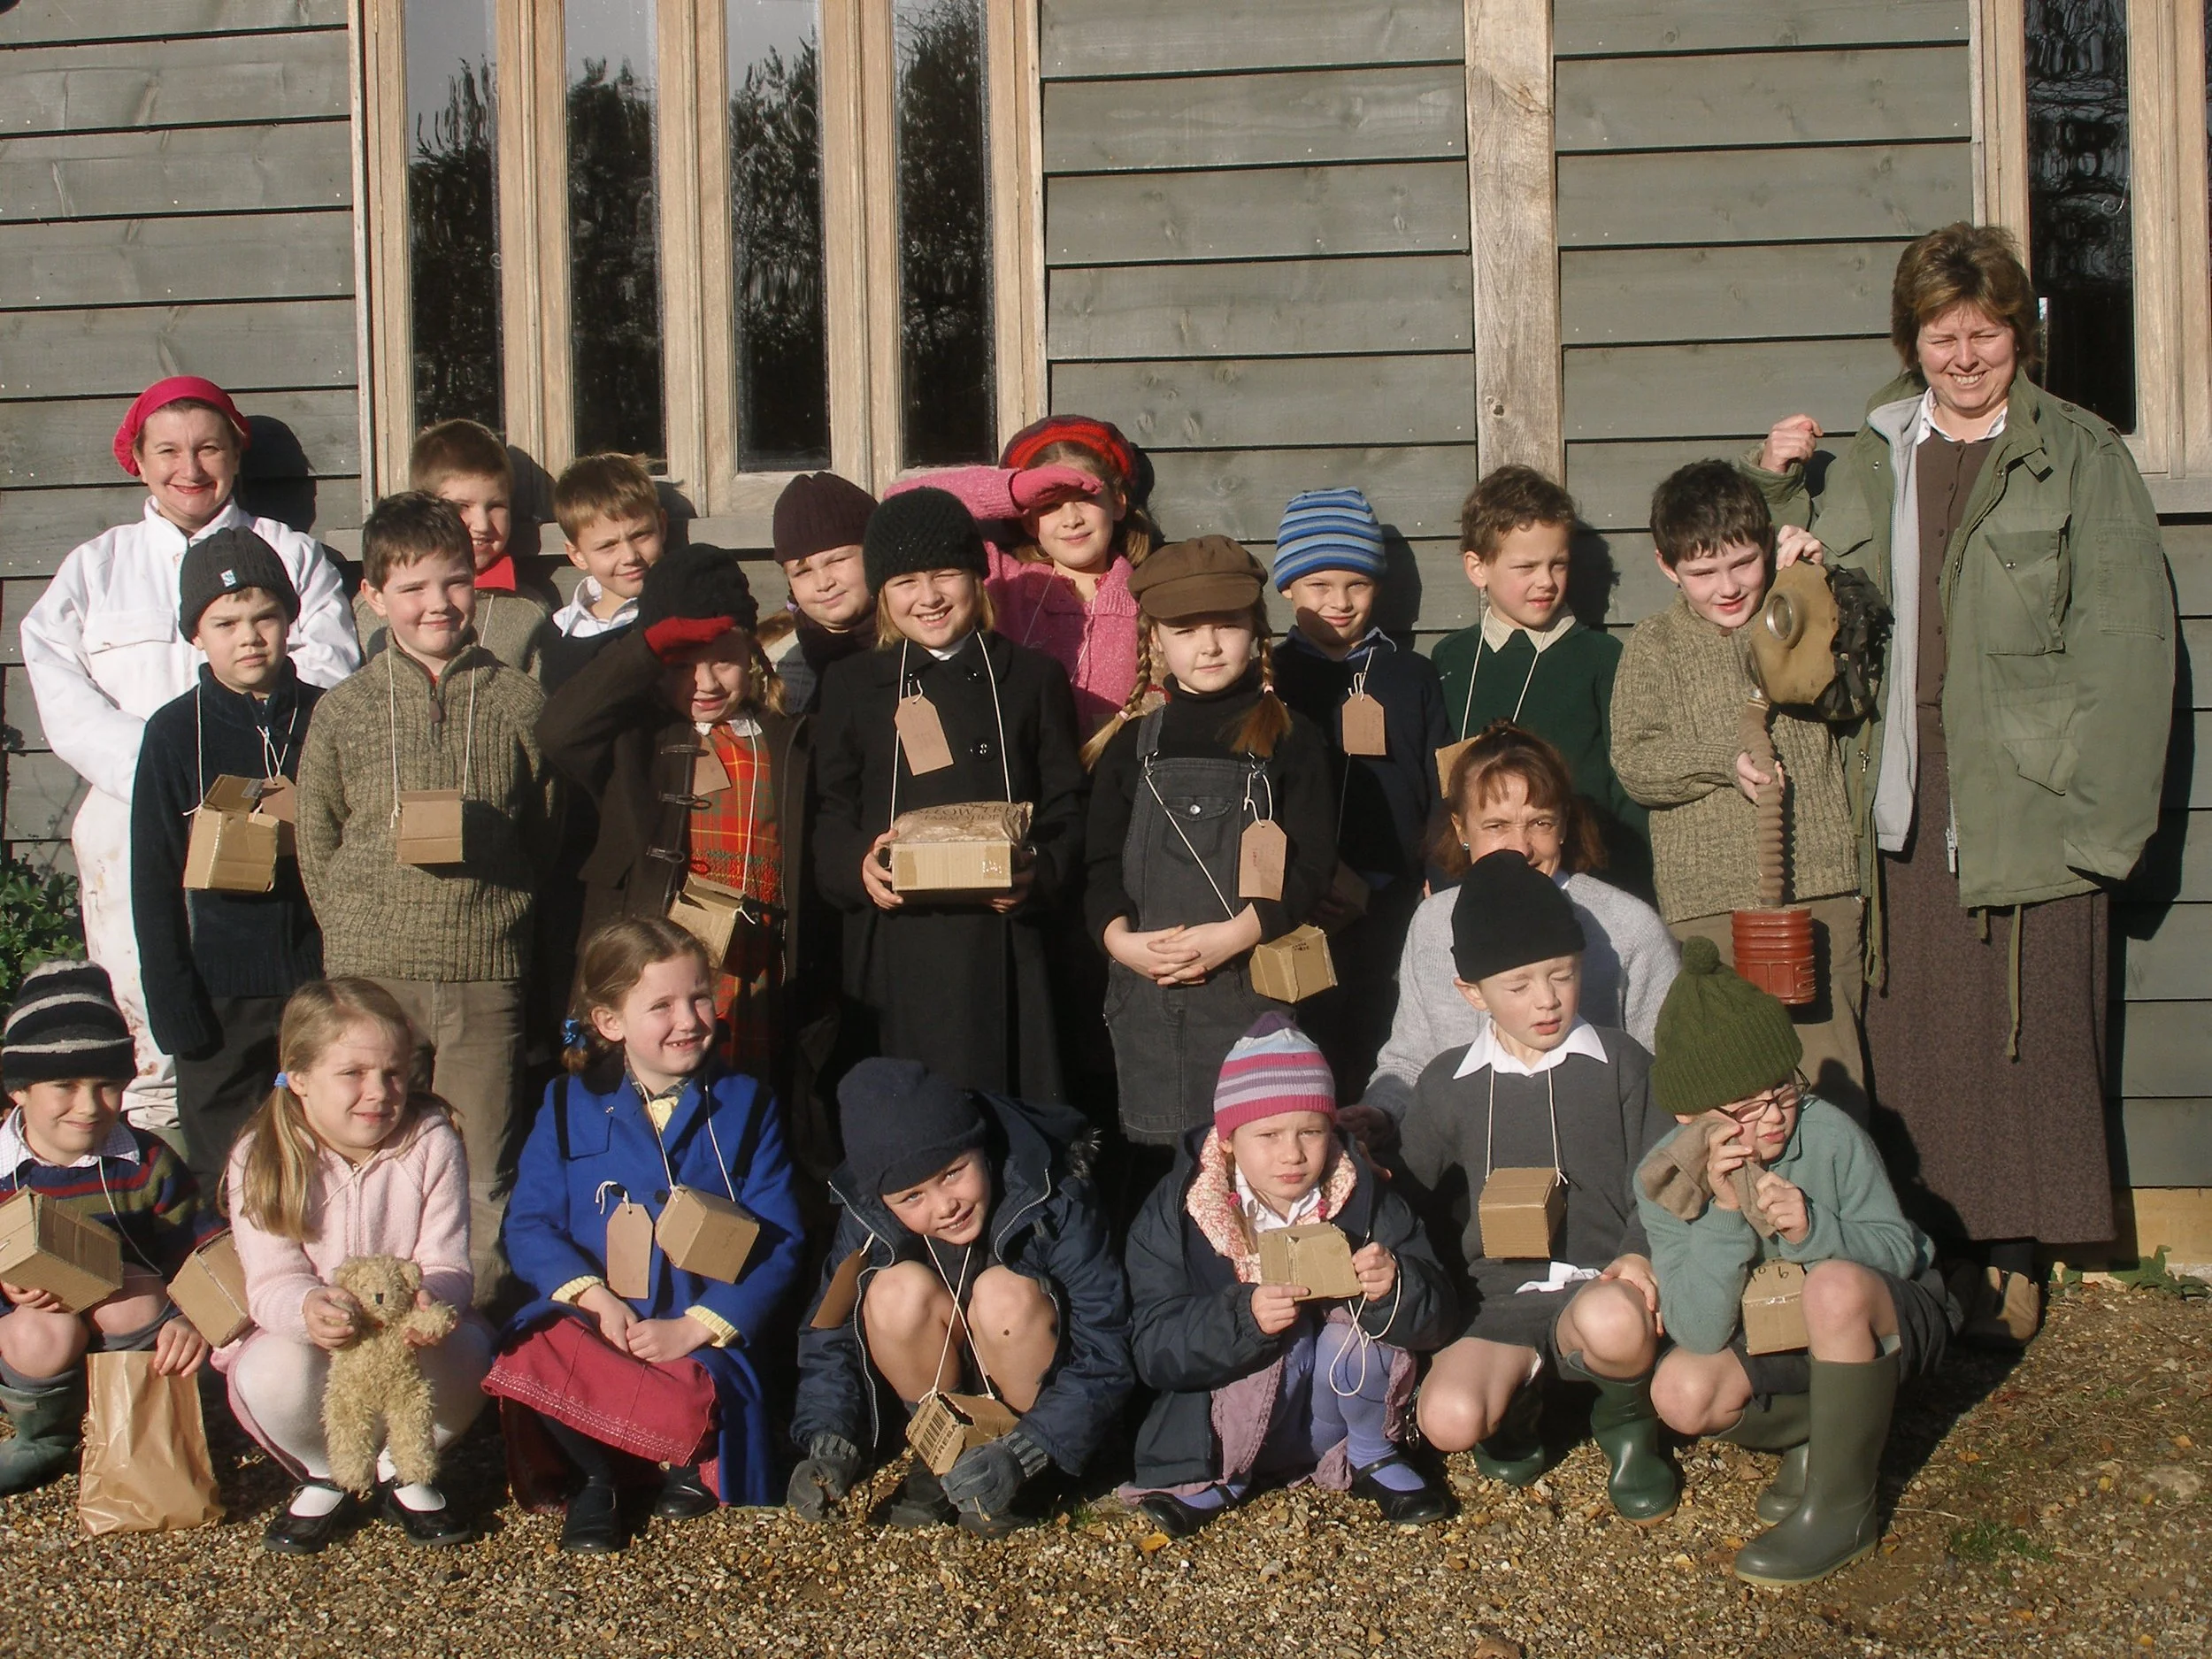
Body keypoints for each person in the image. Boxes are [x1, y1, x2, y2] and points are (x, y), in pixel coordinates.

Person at [1745, 224, 2176, 1344]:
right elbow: (1806, 599)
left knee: (2025, 1028)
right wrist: (1779, 496)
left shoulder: (2078, 455)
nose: (1965, 356)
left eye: (1984, 333)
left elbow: (2130, 647)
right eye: (1942, 336)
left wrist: (2103, 829)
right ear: (1912, 342)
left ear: (2017, 336)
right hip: (1902, 779)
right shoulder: (1878, 448)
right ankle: (1929, 1249)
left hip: (2034, 790)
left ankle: (2017, 1256)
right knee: (1922, 1029)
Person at [21, 374, 359, 1129]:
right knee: (147, 994)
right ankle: (160, 1156)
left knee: (278, 1016)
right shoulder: (96, 567)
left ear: (236, 454)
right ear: (137, 460)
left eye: (208, 448)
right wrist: (152, 771)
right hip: (126, 813)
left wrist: (250, 772)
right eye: (168, 450)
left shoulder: (290, 555)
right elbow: (56, 675)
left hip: (270, 809)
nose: (190, 467)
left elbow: (331, 671)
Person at [296, 492, 558, 1295]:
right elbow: (317, 836)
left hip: (485, 976)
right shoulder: (343, 710)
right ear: (374, 598)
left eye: (453, 581)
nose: (436, 603)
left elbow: (544, 830)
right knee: (368, 1163)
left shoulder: (519, 703)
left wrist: (503, 920)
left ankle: (469, 1335)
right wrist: (354, 933)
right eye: (411, 588)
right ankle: (360, 1328)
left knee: (479, 1172)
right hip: (374, 981)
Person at [1638, 938, 1958, 1585]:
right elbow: (1699, 1330)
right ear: (1690, 1117)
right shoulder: (1667, 1178)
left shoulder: (1828, 1132)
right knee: (1679, 1390)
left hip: (1886, 1320)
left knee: (1832, 1286)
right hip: (1779, 1335)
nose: (1775, 1117)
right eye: (1747, 1109)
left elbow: (1901, 1250)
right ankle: (1822, 1439)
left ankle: (1843, 1511)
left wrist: (1817, 1229)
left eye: (1783, 1090)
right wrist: (1726, 1215)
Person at [495, 919, 807, 1551]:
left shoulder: (747, 1104)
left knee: (698, 1384)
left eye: (699, 997)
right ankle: (600, 1475)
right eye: (661, 1005)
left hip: (695, 1341)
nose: (688, 1019)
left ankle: (681, 1456)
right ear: (609, 1021)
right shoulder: (566, 1103)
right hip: (599, 1327)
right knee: (530, 1346)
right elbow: (528, 1224)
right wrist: (593, 1299)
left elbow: (780, 1238)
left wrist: (695, 1326)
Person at [1398, 852, 1677, 1523]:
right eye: (1518, 984)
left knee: (1614, 1320)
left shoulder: (1622, 1064)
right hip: (1498, 1300)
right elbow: (1412, 1201)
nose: (1546, 1000)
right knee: (1446, 1418)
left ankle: (1629, 1427)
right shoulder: (1447, 1084)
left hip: (1603, 1284)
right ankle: (1518, 1402)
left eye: (1562, 974)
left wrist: (1639, 1253)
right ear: (1473, 992)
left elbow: (1664, 1173)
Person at [538, 549, 827, 1164]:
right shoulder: (633, 741)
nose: (705, 682)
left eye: (723, 658)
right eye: (681, 663)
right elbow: (557, 730)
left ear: (752, 653)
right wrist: (647, 645)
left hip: (755, 971)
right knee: (649, 1132)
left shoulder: (788, 739)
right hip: (658, 974)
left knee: (743, 1126)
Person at [1122, 1015, 1455, 1535]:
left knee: (1352, 1332)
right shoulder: (1180, 1210)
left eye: (1311, 1131)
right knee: (1283, 1332)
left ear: (1332, 1129)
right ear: (1228, 1139)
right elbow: (1152, 1347)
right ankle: (1227, 1473)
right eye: (1268, 1134)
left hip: (1340, 1413)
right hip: (1231, 1426)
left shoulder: (1366, 1194)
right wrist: (1243, 1318)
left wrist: (1396, 1287)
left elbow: (1441, 1315)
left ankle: (1372, 1454)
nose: (1292, 1154)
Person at [1610, 462, 1870, 1125]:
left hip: (1816, 892)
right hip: (1707, 908)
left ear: (1767, 547)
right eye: (1703, 572)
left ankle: (1836, 1192)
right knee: (1730, 1096)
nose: (1727, 587)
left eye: (1743, 564)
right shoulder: (1655, 644)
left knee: (1830, 1081)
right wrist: (1723, 761)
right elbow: (1635, 762)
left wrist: (1812, 586)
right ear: (1667, 567)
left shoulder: (1801, 609)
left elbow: (1855, 698)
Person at [812, 488, 1087, 1103]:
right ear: (883, 593)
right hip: (897, 951)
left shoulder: (1031, 679)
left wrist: (1038, 871)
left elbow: (1068, 804)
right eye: (906, 581)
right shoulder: (854, 684)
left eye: (945, 574)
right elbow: (829, 810)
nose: (929, 597)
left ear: (977, 576)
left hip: (1006, 945)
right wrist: (858, 867)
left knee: (1009, 1117)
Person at [786, 1057, 1132, 1533]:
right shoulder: (865, 1218)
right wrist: (830, 1442)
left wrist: (1029, 1451)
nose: (945, 1205)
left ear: (979, 1148)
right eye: (912, 1197)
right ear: (883, 1200)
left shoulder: (1050, 1190)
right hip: (941, 1373)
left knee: (1002, 1295)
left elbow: (1106, 1339)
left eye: (952, 1173)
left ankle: (1020, 1473)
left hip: (1035, 1404)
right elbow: (830, 1331)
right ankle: (942, 1459)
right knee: (892, 1294)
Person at [218, 979, 491, 1552]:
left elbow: (446, 1258)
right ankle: (323, 1469)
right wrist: (306, 1306)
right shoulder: (262, 1155)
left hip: (403, 1342)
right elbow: (270, 1279)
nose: (379, 1092)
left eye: (393, 1073)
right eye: (353, 1073)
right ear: (299, 1076)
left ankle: (401, 1466)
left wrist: (434, 1295)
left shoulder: (431, 1141)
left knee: (472, 1350)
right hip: (316, 1341)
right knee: (268, 1370)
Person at [1086, 536, 1338, 1156]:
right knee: (1161, 1164)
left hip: (1253, 990)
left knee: (1256, 1159)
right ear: (1155, 640)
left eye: (1227, 625)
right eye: (1186, 630)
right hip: (1148, 993)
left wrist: (1237, 933)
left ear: (1256, 631)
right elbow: (1098, 867)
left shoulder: (1293, 740)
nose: (1209, 645)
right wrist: (1120, 942)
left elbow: (1312, 864)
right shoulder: (1130, 748)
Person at [1355, 724, 1679, 1144]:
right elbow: (1410, 1059)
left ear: (1563, 825)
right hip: (1462, 1161)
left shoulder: (1628, 926)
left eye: (1539, 823)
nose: (1520, 847)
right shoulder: (1432, 924)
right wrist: (1381, 1113)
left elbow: (1667, 1070)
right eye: (1497, 826)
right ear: (1461, 830)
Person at [129, 530, 326, 1194]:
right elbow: (152, 878)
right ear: (196, 634)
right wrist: (173, 1001)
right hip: (218, 998)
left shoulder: (330, 716)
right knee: (229, 1175)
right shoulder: (172, 732)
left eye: (265, 617)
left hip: (319, 983)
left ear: (290, 619)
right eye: (226, 623)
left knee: (323, 1158)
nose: (249, 638)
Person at [0, 962, 210, 1494]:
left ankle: (142, 1424)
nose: (89, 1106)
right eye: (64, 1085)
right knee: (36, 1332)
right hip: (40, 1337)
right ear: (19, 1090)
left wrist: (195, 1317)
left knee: (130, 1294)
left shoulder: (146, 1160)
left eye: (108, 1086)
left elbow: (200, 1246)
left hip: (137, 1331)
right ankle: (43, 1437)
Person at [1266, 487, 1449, 1094]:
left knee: (1387, 1043)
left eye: (1358, 584)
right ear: (1287, 587)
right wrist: (1299, 882)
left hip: (1396, 899)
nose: (1340, 602)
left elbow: (1441, 786)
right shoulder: (1270, 679)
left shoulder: (1412, 675)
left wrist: (1439, 878)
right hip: (1298, 903)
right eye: (1318, 585)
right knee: (1305, 1050)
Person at [1430, 465, 1647, 889]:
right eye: (1526, 567)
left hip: (1582, 882)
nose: (1546, 581)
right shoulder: (1450, 658)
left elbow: (1626, 791)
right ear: (1477, 568)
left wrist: (1625, 888)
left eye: (1558, 564)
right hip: (1476, 888)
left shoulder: (1602, 657)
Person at [897, 415, 1156, 742]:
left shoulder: (1151, 594)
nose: (1072, 519)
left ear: (1118, 505)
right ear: (1030, 522)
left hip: (1117, 771)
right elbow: (904, 504)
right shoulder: (1004, 582)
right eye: (1050, 505)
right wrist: (1015, 491)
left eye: (1086, 498)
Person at [357, 419, 557, 679]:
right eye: (462, 506)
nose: (482, 524)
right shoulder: (374, 607)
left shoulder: (529, 610)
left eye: (496, 506)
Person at [761, 471, 879, 715]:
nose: (823, 583)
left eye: (837, 561)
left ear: (875, 555)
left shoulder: (918, 643)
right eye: (802, 572)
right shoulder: (774, 666)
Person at [544, 450, 665, 686]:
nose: (630, 556)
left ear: (662, 527)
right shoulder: (558, 633)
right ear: (577, 555)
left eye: (640, 535)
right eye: (608, 546)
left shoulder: (679, 615)